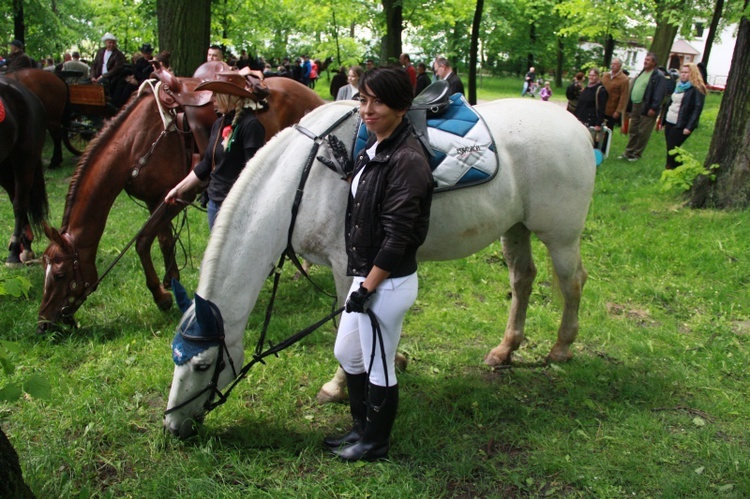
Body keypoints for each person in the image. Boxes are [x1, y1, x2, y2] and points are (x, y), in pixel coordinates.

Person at [324, 66, 433, 462]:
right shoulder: (378, 145)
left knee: (378, 364)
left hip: (386, 283)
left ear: (402, 107)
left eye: (378, 102)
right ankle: (360, 428)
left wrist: (367, 287)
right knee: (348, 354)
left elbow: (397, 237)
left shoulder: (407, 159)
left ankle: (375, 443)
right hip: (366, 278)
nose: (367, 110)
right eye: (363, 100)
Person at [164, 72, 266, 230]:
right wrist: (178, 190)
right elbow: (206, 164)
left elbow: (253, 174)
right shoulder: (219, 123)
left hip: (235, 207)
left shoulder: (251, 126)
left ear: (228, 97)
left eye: (216, 95)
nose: (212, 100)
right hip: (214, 202)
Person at [658, 63, 707, 170]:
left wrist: (689, 126)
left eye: (686, 72)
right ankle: (673, 168)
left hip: (682, 123)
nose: (683, 75)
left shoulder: (697, 88)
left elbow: (697, 109)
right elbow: (669, 103)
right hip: (670, 119)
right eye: (682, 72)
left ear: (693, 73)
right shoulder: (679, 86)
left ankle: (675, 168)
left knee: (673, 147)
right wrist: (662, 121)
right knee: (670, 148)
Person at [620, 52, 667, 162]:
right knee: (633, 129)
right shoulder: (642, 73)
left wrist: (653, 108)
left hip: (647, 106)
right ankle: (628, 152)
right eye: (645, 59)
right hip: (636, 105)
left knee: (643, 131)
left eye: (648, 60)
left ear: (654, 63)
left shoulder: (658, 76)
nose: (645, 62)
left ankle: (636, 154)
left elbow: (659, 93)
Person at [575, 68, 609, 147]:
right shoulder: (586, 88)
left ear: (598, 76)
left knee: (589, 143)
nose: (591, 77)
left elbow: (601, 108)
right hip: (582, 118)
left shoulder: (601, 90)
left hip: (592, 121)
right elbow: (580, 104)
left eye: (594, 75)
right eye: (590, 75)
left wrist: (598, 124)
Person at [600, 58, 630, 129]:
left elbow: (624, 96)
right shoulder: (605, 76)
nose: (613, 66)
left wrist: (618, 111)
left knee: (608, 129)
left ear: (620, 66)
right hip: (601, 107)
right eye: (612, 64)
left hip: (612, 109)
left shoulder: (624, 79)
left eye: (615, 64)